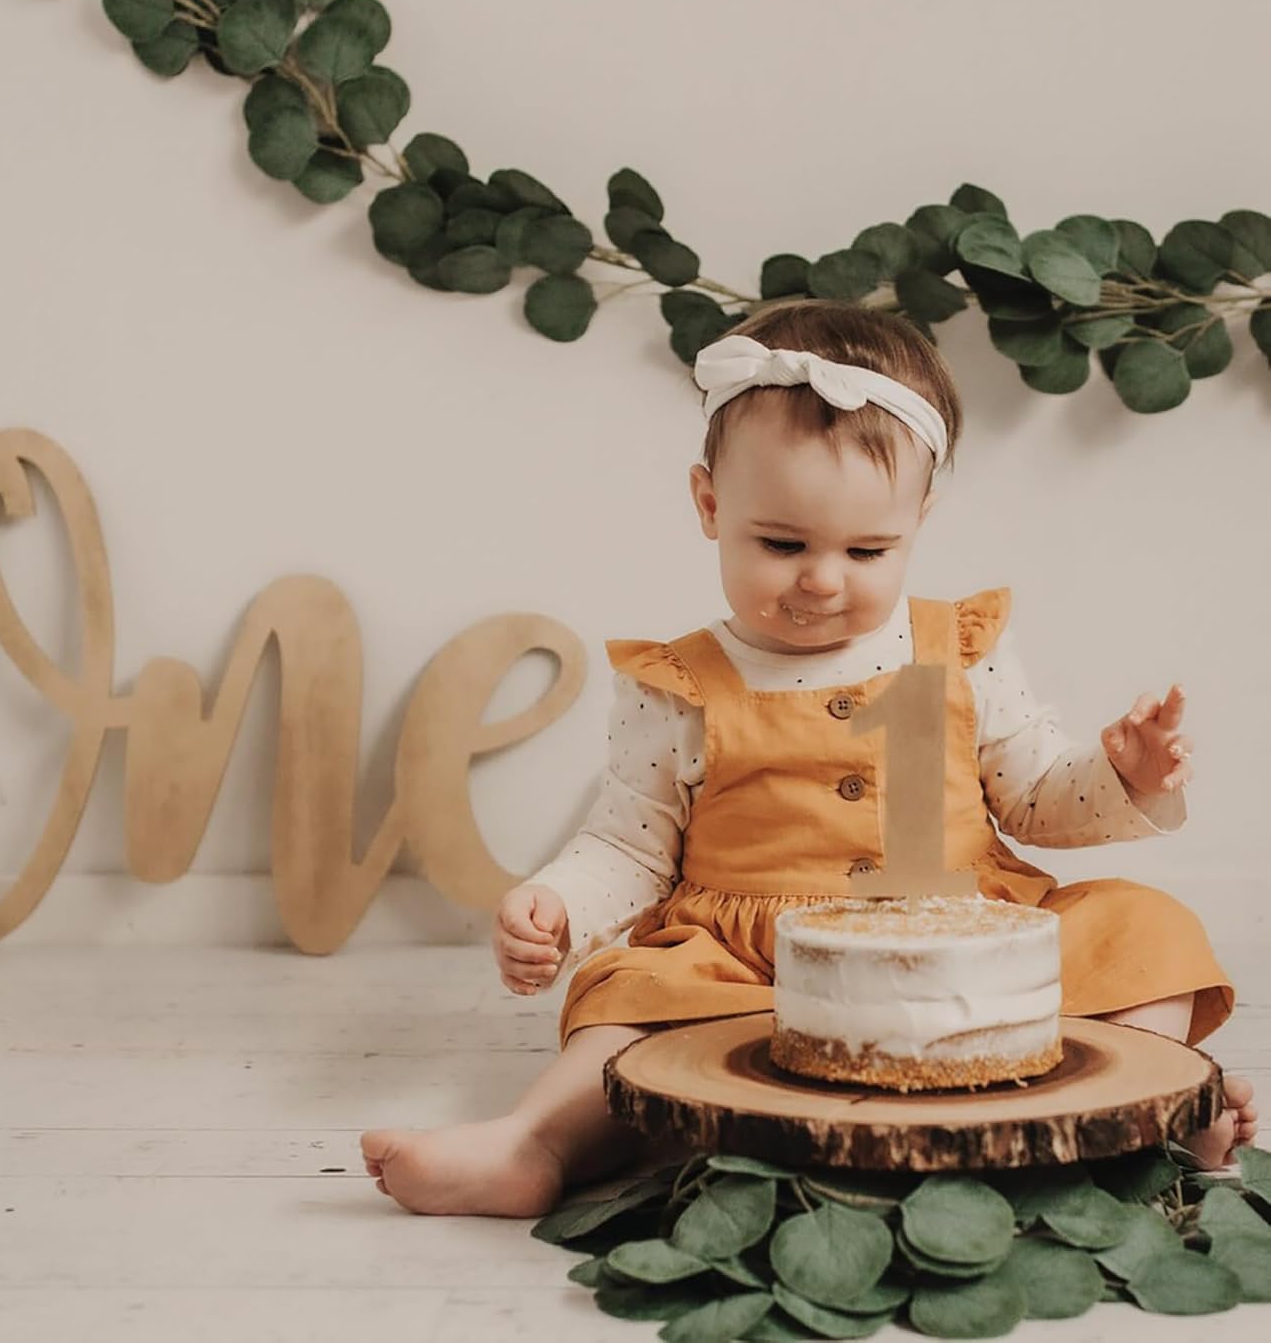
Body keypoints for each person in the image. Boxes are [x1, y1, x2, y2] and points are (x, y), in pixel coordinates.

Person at [361, 300, 1256, 1217]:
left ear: (920, 520)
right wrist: (556, 904)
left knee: (1143, 927)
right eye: (781, 543)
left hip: (963, 940)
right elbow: (629, 848)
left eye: (869, 549)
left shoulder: (959, 650)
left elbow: (1033, 798)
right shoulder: (684, 685)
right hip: (752, 965)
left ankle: (1150, 1103)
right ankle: (535, 1145)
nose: (823, 579)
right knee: (628, 1001)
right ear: (711, 505)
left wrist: (1128, 776)